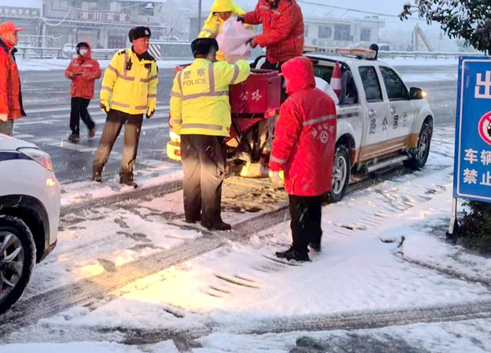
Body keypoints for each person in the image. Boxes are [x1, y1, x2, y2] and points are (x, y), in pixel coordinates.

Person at [171, 37, 250, 230]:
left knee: (191, 175)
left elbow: (175, 103)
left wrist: (177, 127)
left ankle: (191, 215)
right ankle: (211, 220)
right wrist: (236, 57)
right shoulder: (218, 70)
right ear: (210, 54)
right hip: (210, 131)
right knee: (211, 175)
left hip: (188, 132)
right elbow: (243, 71)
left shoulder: (182, 75)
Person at [268, 56, 337, 262]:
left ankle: (299, 249)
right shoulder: (326, 100)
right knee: (314, 204)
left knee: (298, 209)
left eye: (287, 78)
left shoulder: (293, 104)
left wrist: (275, 166)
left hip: (301, 165)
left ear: (295, 77)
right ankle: (314, 239)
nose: (285, 82)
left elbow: (284, 140)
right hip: (321, 163)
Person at [92, 26, 158, 187]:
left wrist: (151, 104)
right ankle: (97, 170)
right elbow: (109, 79)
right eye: (143, 39)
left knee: (131, 146)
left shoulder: (151, 62)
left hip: (136, 111)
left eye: (147, 40)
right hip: (117, 109)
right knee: (106, 142)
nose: (146, 42)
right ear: (133, 41)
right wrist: (104, 99)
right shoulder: (121, 57)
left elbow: (152, 86)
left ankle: (126, 176)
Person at [239, 0, 305, 70]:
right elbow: (258, 15)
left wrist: (257, 40)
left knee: (281, 81)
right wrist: (243, 18)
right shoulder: (264, 1)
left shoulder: (290, 7)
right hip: (272, 54)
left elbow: (280, 32)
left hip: (288, 56)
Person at [65, 41, 102, 142]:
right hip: (75, 91)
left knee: (81, 111)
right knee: (74, 112)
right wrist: (70, 74)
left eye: (84, 48)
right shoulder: (74, 61)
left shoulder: (93, 62)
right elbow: (67, 71)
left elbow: (98, 73)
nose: (83, 50)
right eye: (81, 48)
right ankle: (75, 132)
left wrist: (87, 75)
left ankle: (90, 125)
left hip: (86, 92)